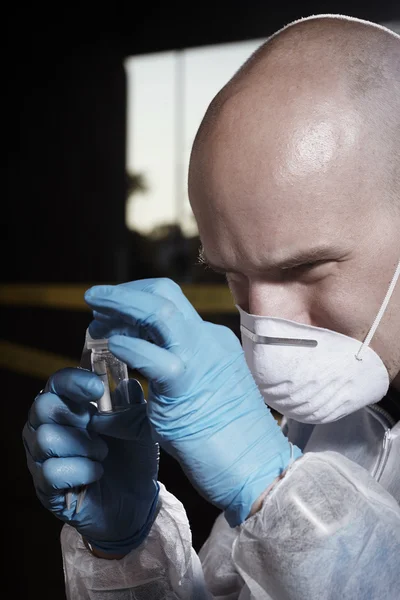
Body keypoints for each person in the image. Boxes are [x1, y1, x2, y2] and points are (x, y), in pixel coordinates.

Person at [23, 14, 400, 599]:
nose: (267, 328)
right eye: (231, 274)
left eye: (304, 269)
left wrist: (272, 488)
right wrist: (126, 549)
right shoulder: (325, 431)